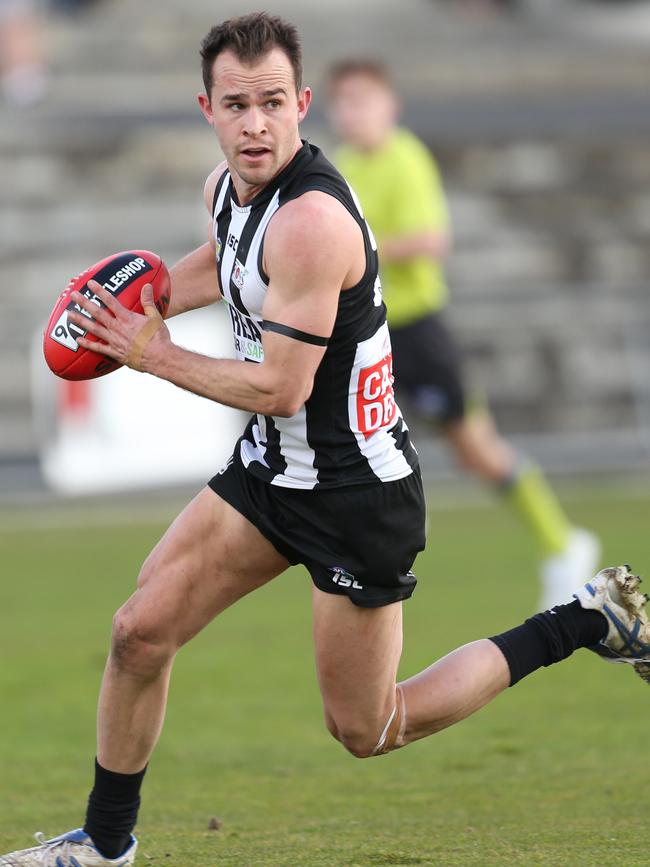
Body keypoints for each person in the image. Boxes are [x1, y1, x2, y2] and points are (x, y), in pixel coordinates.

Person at [2, 13, 648, 867]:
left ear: (302, 103)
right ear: (208, 109)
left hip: (356, 495)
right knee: (138, 632)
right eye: (237, 105)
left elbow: (279, 385)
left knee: (369, 726)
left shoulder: (313, 222)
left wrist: (151, 352)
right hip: (274, 472)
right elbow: (217, 264)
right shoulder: (225, 192)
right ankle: (105, 844)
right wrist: (131, 305)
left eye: (273, 102)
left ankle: (583, 620)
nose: (256, 123)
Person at [326, 59, 600, 611]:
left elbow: (430, 239)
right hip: (366, 330)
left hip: (417, 331)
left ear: (389, 105)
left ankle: (563, 541)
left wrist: (358, 248)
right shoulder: (342, 166)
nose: (350, 112)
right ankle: (349, 567)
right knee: (347, 444)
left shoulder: (405, 158)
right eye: (343, 101)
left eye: (362, 99)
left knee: (476, 449)